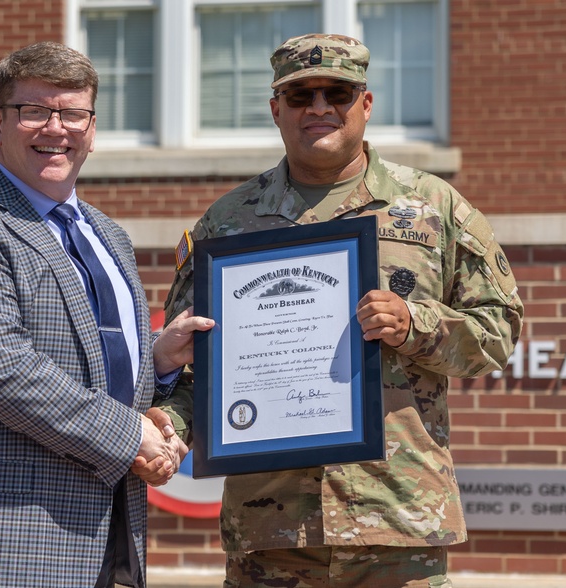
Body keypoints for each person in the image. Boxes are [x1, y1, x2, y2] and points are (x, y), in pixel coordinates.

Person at [158, 34, 524, 588]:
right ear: (276, 109)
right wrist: (170, 428)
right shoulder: (227, 224)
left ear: (366, 104)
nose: (321, 107)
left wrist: (414, 324)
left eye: (338, 92)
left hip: (397, 521)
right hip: (271, 529)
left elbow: (498, 333)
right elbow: (195, 364)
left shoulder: (433, 208)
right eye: (302, 95)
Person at [0, 42, 213, 588]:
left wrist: (156, 364)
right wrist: (132, 435)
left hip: (110, 538)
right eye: (34, 111)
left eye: (73, 113)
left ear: (91, 127)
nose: (55, 128)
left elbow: (86, 359)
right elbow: (2, 374)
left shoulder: (108, 235)